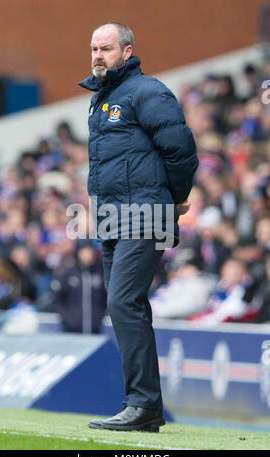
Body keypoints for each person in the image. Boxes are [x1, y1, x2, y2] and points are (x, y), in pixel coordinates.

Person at [79, 22, 198, 432]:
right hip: (114, 218)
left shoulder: (147, 91)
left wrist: (176, 197)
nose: (98, 55)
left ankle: (143, 403)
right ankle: (144, 407)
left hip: (147, 212)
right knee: (125, 308)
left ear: (127, 52)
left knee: (123, 303)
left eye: (106, 48)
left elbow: (180, 147)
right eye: (94, 48)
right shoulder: (101, 100)